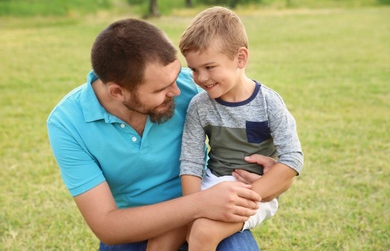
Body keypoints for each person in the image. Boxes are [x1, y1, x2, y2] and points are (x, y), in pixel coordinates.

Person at [46, 17, 281, 251]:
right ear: (118, 92)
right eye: (161, 89)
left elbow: (262, 128)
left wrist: (273, 174)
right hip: (137, 228)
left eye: (177, 75)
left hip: (207, 219)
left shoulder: (196, 87)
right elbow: (107, 225)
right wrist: (200, 204)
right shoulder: (67, 122)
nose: (177, 90)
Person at [177, 6, 304, 250]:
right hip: (210, 184)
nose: (201, 78)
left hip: (253, 191)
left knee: (203, 231)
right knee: (170, 231)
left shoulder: (268, 103)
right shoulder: (199, 106)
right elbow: (191, 161)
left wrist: (250, 194)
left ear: (240, 58)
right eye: (194, 69)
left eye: (210, 67)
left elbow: (292, 158)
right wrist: (194, 205)